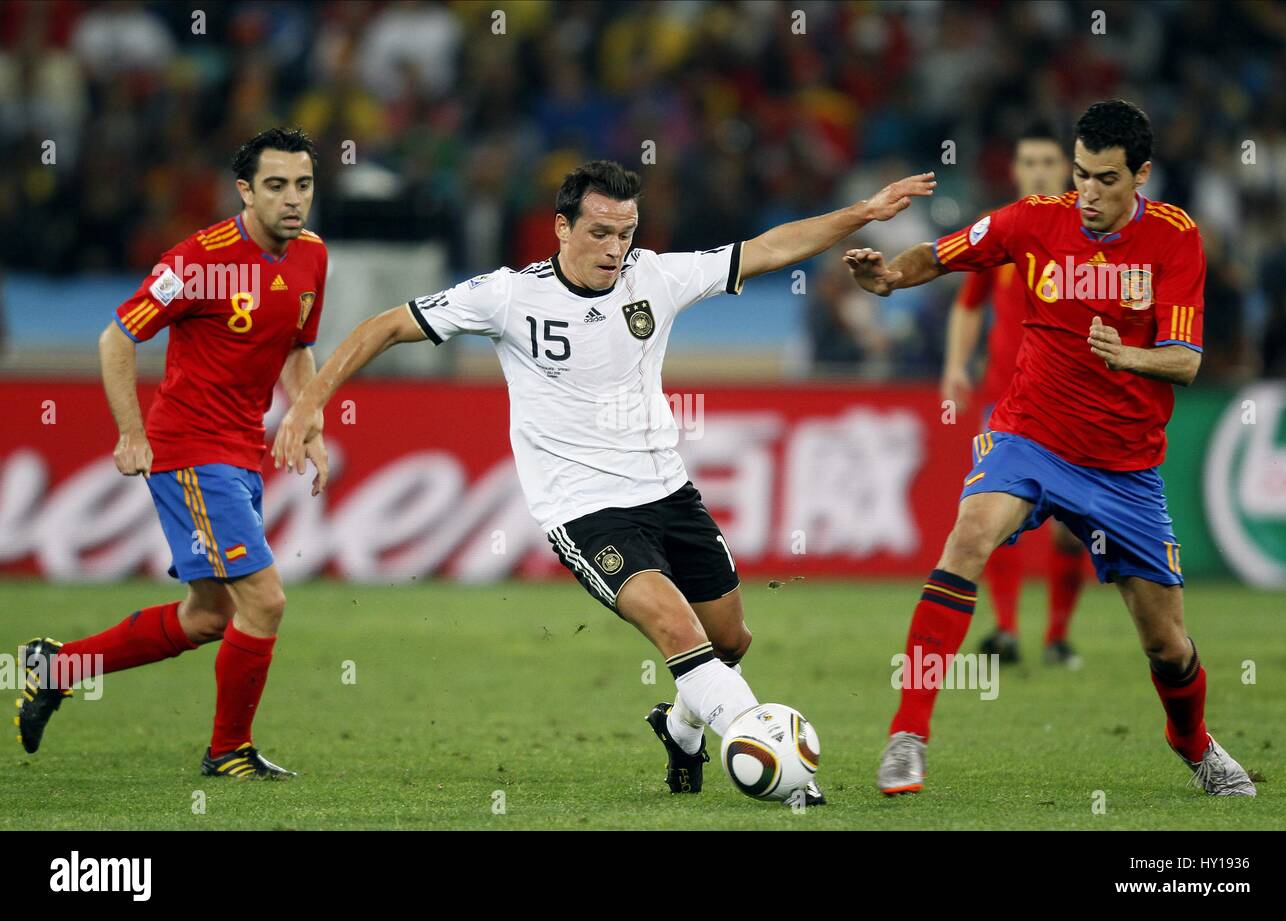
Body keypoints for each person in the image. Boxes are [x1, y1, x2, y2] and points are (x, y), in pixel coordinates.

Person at [273, 159, 934, 801]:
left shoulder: (656, 277)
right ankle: (777, 757)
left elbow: (766, 248)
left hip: (668, 492)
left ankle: (680, 730)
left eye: (626, 233)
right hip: (584, 510)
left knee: (729, 639)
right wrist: (309, 404)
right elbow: (382, 325)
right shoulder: (507, 295)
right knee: (680, 632)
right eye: (599, 232)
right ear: (561, 228)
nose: (616, 248)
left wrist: (862, 214)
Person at [847, 100, 1254, 797]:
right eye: (1081, 174)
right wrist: (888, 279)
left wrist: (1128, 355)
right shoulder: (1036, 218)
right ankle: (907, 735)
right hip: (1031, 434)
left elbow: (1186, 361)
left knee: (1167, 643)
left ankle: (1192, 741)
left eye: (1106, 179)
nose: (1089, 193)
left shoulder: (1175, 238)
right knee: (967, 538)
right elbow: (945, 255)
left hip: (1126, 465)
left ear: (1141, 175)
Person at [17, 128, 329, 780]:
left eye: (302, 184)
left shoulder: (311, 256)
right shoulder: (199, 259)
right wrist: (132, 433)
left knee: (210, 614)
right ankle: (228, 752)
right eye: (275, 186)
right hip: (191, 449)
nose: (292, 199)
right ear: (244, 190)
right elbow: (116, 337)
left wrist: (310, 419)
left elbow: (298, 349)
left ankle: (59, 667)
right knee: (265, 601)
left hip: (241, 451)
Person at [940, 123, 1090, 668]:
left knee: (1073, 531)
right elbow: (968, 301)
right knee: (992, 520)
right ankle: (1005, 629)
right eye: (1028, 163)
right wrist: (956, 363)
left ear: (1069, 170)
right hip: (1004, 403)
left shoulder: (1086, 234)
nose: (1038, 173)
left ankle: (1058, 637)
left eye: (1048, 163)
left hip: (1073, 405)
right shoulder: (1003, 232)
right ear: (1015, 171)